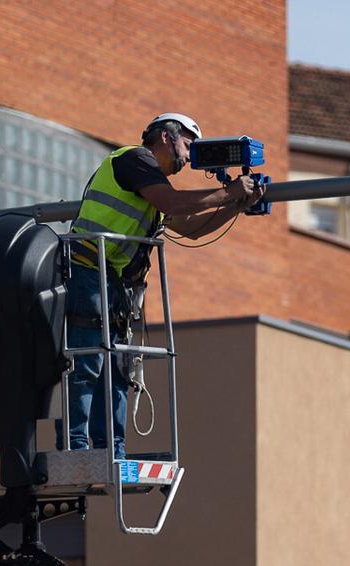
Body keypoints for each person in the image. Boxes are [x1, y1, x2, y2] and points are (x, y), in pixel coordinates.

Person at [61, 113, 265, 458]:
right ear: (167, 138)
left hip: (111, 281)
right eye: (188, 144)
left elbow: (191, 228)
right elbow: (175, 205)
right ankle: (78, 446)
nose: (189, 156)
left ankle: (112, 448)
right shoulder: (134, 159)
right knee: (89, 362)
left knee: (117, 367)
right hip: (86, 268)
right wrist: (227, 191)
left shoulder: (154, 188)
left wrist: (234, 206)